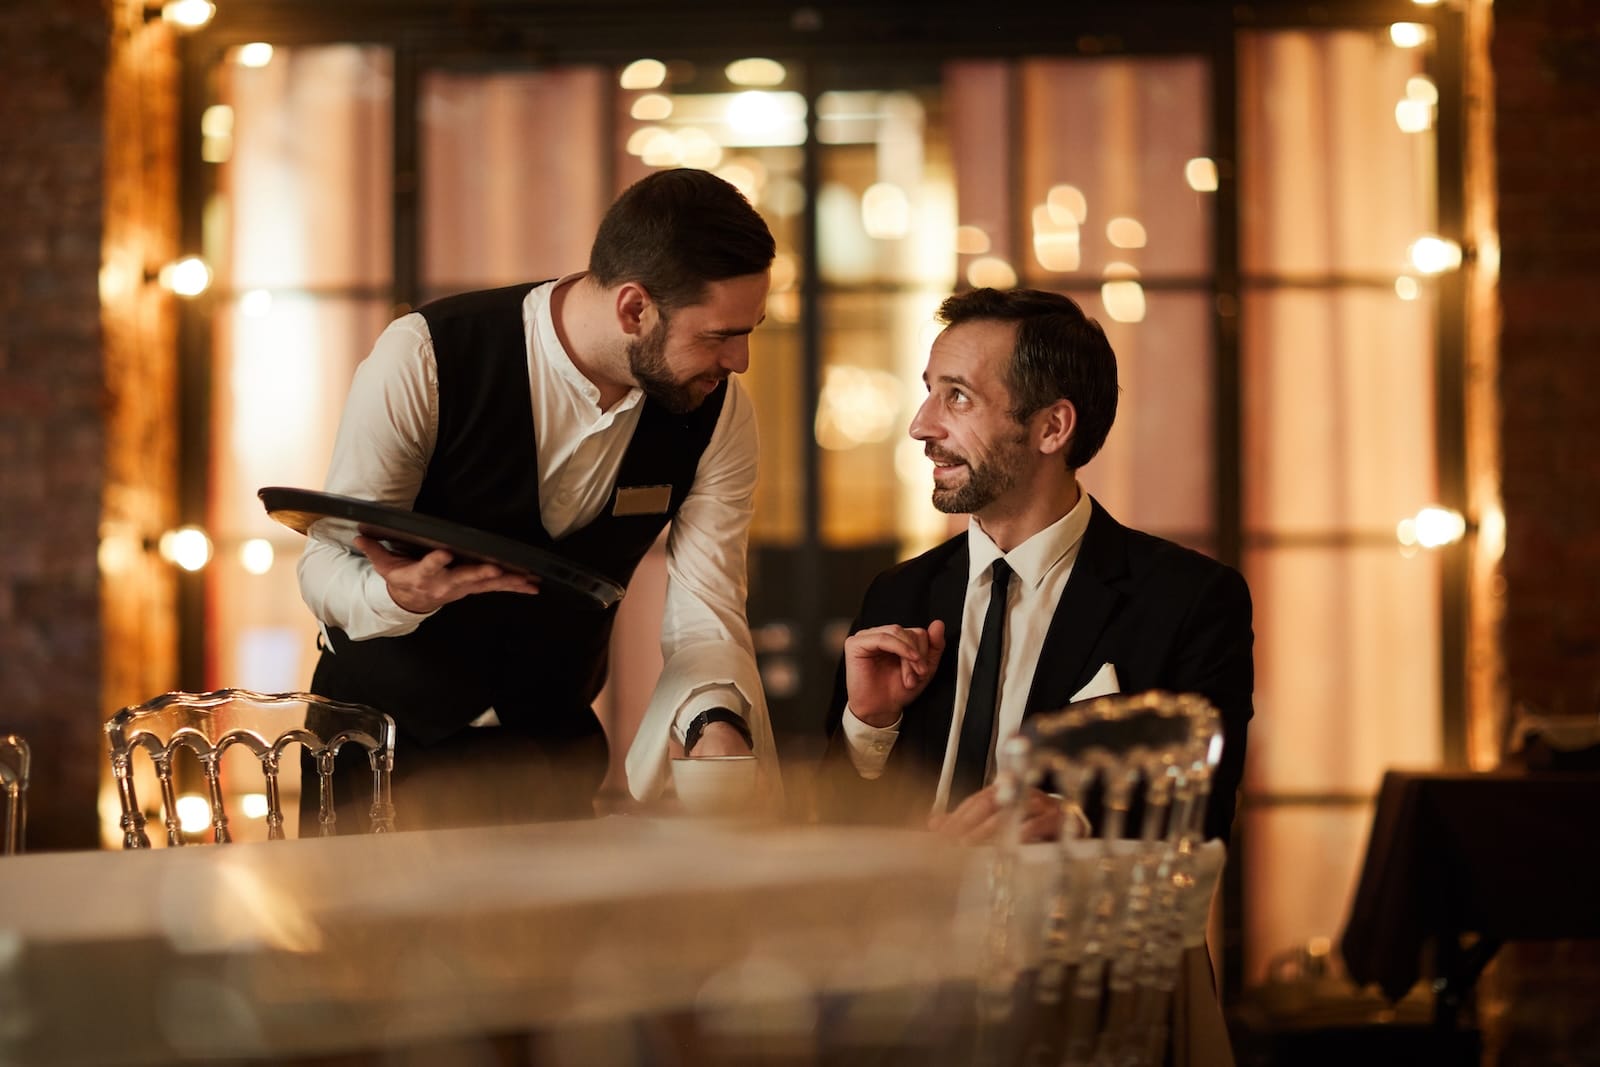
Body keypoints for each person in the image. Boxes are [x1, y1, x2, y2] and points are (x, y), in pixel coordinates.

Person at [297, 168, 779, 830]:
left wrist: (713, 719)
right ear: (634, 309)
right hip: (375, 753)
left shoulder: (719, 416)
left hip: (550, 758)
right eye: (719, 335)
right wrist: (397, 594)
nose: (741, 361)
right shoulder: (426, 356)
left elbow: (706, 606)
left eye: (750, 330)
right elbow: (323, 566)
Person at [822, 287, 1253, 845]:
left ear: (1052, 428)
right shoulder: (897, 594)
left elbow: (1202, 818)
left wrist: (1076, 827)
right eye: (930, 392)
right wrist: (869, 725)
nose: (921, 426)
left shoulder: (1188, 600)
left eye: (958, 397)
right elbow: (834, 835)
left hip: (1070, 904)